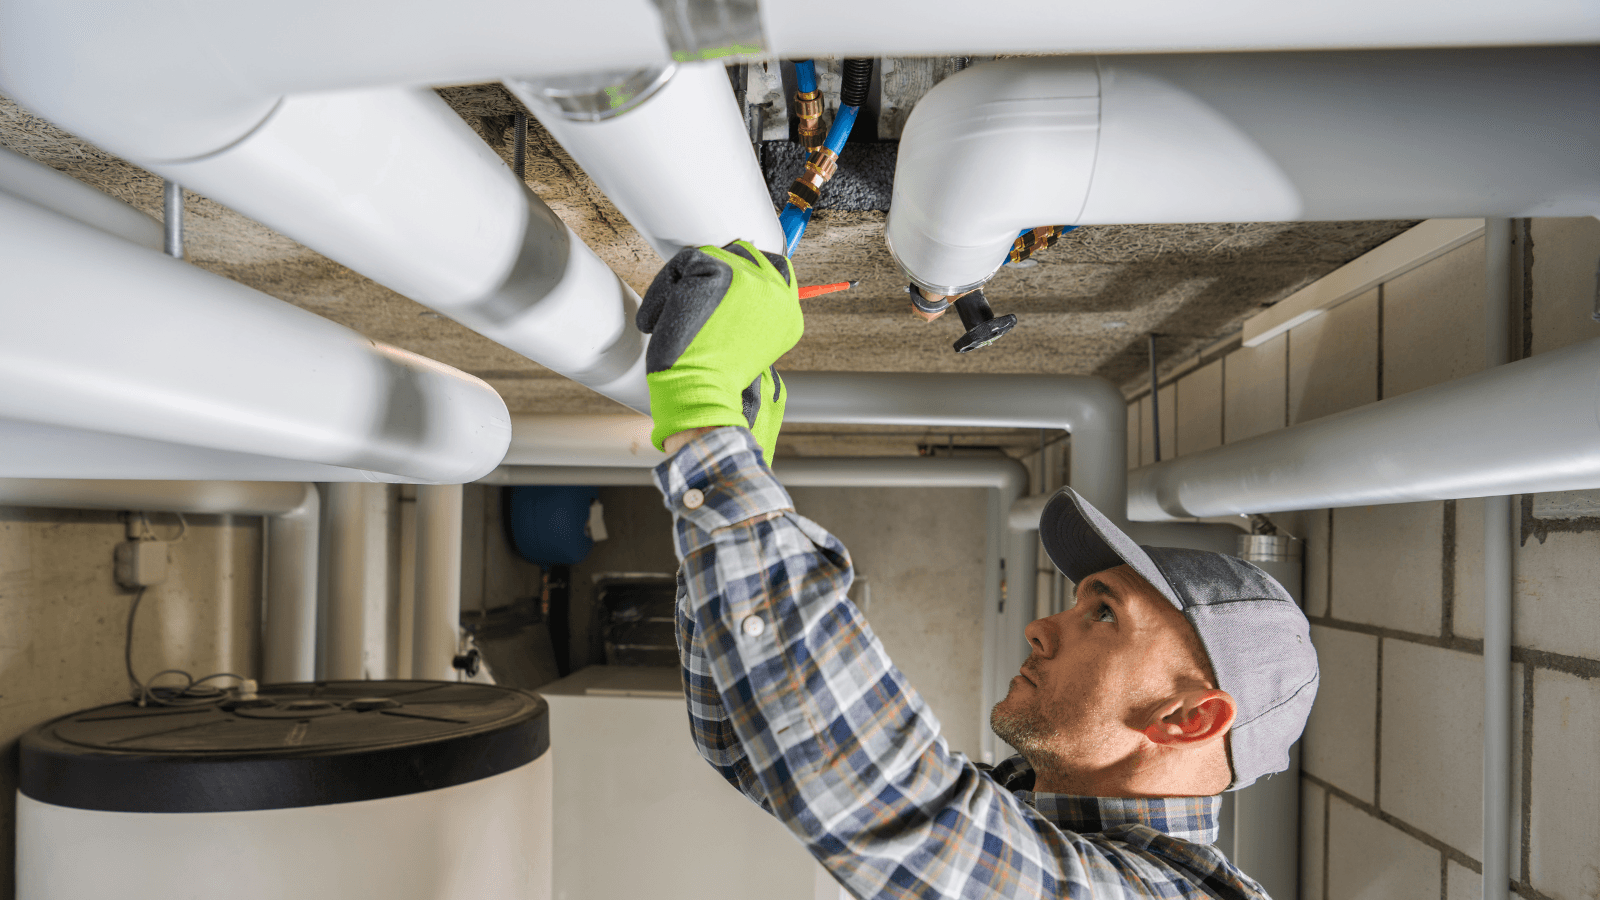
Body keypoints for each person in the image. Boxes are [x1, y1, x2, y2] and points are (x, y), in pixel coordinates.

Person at [635, 241, 1320, 899]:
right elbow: (748, 744)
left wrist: (708, 421)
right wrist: (738, 461)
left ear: (1189, 717)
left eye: (1104, 613)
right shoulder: (1041, 814)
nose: (1040, 627)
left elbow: (903, 814)